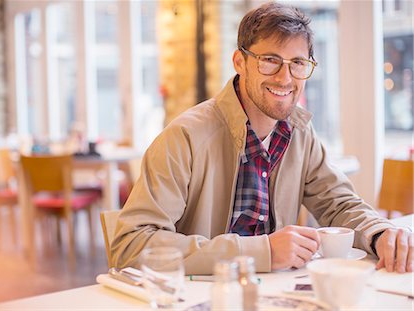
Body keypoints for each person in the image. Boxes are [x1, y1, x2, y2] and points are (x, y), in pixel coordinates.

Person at [111, 2, 413, 275]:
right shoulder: (184, 138)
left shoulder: (300, 132)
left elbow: (338, 204)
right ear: (239, 62)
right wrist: (263, 251)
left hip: (278, 294)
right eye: (270, 60)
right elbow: (132, 245)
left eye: (297, 63)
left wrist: (379, 232)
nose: (285, 78)